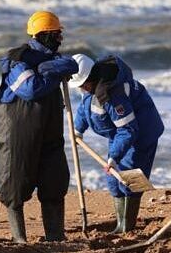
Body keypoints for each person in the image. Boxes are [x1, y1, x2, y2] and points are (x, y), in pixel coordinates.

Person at [0, 10, 78, 243]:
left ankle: (55, 237)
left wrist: (45, 70)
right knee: (14, 185)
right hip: (17, 129)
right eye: (56, 33)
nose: (60, 37)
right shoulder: (18, 59)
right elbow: (30, 89)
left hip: (49, 128)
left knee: (54, 180)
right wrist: (51, 72)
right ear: (43, 34)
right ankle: (20, 240)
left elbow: (72, 64)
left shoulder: (54, 57)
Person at [69, 54, 164, 233]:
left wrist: (114, 156)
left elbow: (129, 130)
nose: (81, 88)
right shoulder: (91, 89)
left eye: (82, 84)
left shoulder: (113, 95)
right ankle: (120, 223)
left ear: (91, 78)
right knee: (113, 179)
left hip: (141, 134)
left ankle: (127, 226)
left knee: (129, 177)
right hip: (119, 133)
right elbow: (84, 109)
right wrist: (78, 129)